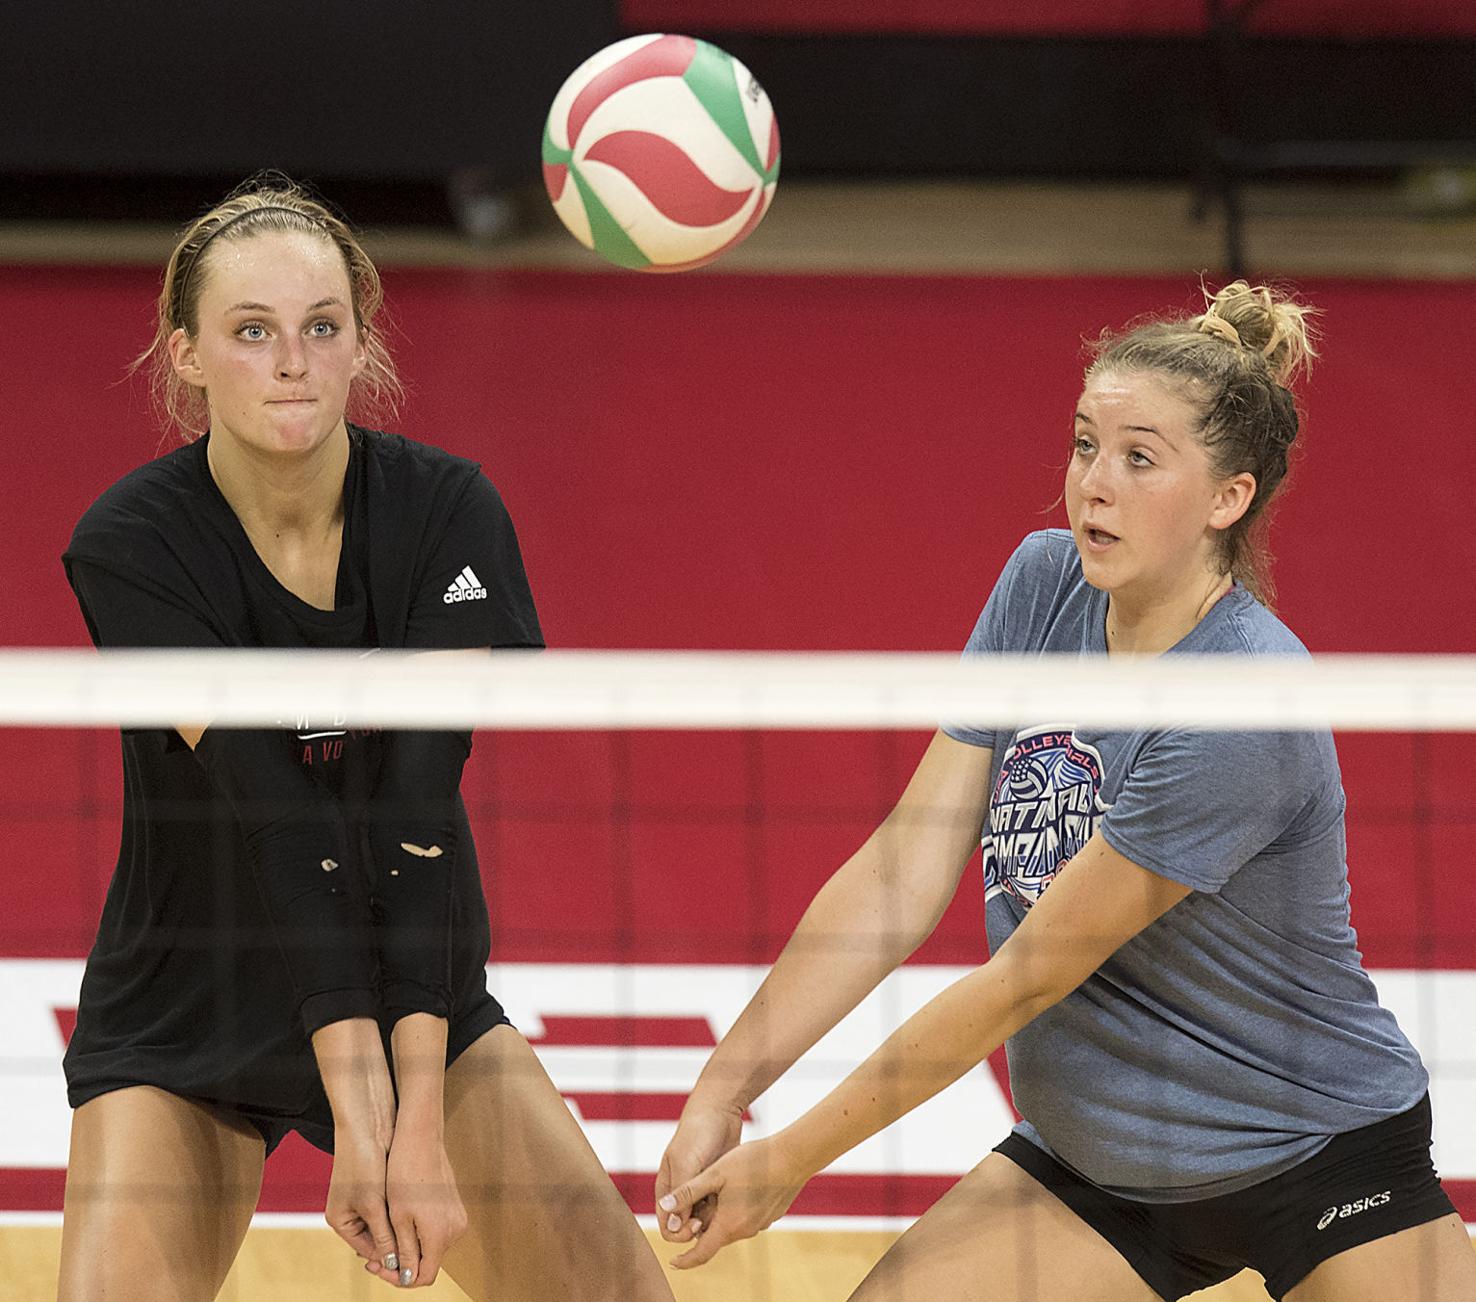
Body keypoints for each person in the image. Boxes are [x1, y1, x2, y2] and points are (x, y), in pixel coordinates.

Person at [654, 283, 1476, 1301]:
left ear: (1227, 499)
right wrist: (724, 1092)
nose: (1093, 485)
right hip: (1099, 1171)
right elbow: (902, 871)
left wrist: (790, 1158)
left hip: (1312, 1156)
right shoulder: (1045, 587)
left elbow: (1024, 979)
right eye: (1086, 445)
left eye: (1140, 459)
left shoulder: (1240, 700)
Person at [57, 176, 676, 1301]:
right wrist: (360, 1115)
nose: (292, 362)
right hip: (191, 1002)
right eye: (252, 332)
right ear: (186, 354)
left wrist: (414, 1120)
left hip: (412, 982)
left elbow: (413, 815)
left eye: (321, 327)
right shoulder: (135, 545)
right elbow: (283, 821)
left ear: (361, 343)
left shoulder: (446, 513)